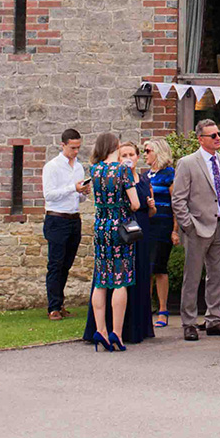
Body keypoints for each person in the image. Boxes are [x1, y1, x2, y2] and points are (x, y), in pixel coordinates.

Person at [169, 118, 220, 341]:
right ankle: (189, 322)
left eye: (219, 134)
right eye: (213, 136)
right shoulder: (187, 163)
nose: (218, 139)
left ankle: (214, 319)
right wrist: (188, 225)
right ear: (200, 139)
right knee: (192, 277)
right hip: (197, 227)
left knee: (217, 276)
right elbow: (178, 199)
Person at [89, 141, 155, 347]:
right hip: (120, 227)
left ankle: (100, 329)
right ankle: (116, 332)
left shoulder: (95, 169)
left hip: (101, 226)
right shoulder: (122, 170)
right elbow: (135, 203)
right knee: (120, 279)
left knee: (100, 280)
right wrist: (126, 204)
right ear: (114, 148)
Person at [41, 128, 86, 319]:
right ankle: (53, 307)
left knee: (66, 264)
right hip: (57, 218)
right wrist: (72, 188)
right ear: (63, 145)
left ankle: (59, 302)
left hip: (74, 217)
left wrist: (83, 192)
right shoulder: (52, 167)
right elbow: (49, 194)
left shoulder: (79, 167)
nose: (75, 152)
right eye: (72, 148)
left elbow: (78, 198)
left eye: (78, 148)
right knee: (56, 264)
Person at [143, 138, 177, 328]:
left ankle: (163, 310)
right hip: (147, 226)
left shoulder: (169, 175)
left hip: (163, 226)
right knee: (146, 269)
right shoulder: (146, 176)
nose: (145, 154)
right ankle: (146, 309)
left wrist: (175, 230)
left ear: (158, 152)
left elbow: (176, 204)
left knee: (159, 267)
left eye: (148, 150)